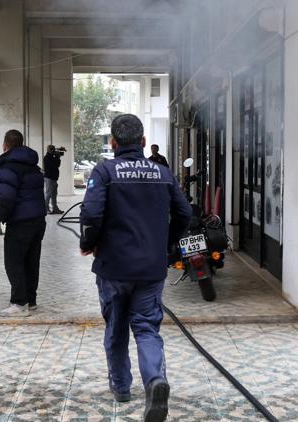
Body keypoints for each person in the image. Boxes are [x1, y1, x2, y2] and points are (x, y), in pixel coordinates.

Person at [80, 114, 191, 422]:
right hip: (150, 270)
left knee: (115, 328)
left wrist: (90, 242)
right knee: (146, 327)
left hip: (113, 267)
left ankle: (121, 387)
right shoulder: (163, 173)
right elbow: (184, 213)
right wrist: (165, 244)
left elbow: (90, 212)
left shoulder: (104, 171)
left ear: (113, 143)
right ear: (143, 142)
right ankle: (155, 379)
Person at [0, 130, 47, 318]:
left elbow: (5, 196)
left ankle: (19, 303)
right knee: (31, 260)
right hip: (38, 219)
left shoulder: (8, 167)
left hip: (20, 222)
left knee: (14, 261)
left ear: (5, 146)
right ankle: (31, 299)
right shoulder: (33, 166)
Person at [43, 144, 64, 214]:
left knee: (54, 194)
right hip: (49, 178)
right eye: (51, 149)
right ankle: (46, 209)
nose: (53, 150)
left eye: (53, 149)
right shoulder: (46, 158)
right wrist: (57, 157)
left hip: (54, 178)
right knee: (48, 194)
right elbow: (53, 166)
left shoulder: (53, 157)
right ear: (48, 149)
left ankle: (55, 208)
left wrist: (58, 157)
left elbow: (57, 165)